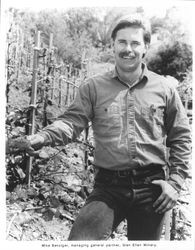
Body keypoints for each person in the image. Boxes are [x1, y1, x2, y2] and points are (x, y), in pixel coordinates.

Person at [21, 14, 191, 240]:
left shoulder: (165, 89)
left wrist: (175, 183)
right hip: (109, 187)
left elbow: (181, 137)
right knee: (80, 242)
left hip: (153, 188)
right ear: (113, 45)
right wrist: (41, 138)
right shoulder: (93, 87)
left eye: (135, 43)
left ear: (145, 47)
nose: (128, 49)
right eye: (122, 42)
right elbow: (71, 123)